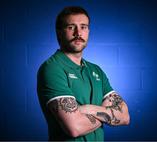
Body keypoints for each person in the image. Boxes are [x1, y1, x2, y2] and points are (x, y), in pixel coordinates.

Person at [37, 6, 130, 141]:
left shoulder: (95, 70)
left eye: (83, 27)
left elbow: (125, 116)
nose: (78, 33)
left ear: (88, 31)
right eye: (71, 27)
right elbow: (75, 128)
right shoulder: (52, 68)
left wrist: (88, 109)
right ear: (59, 32)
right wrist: (106, 113)